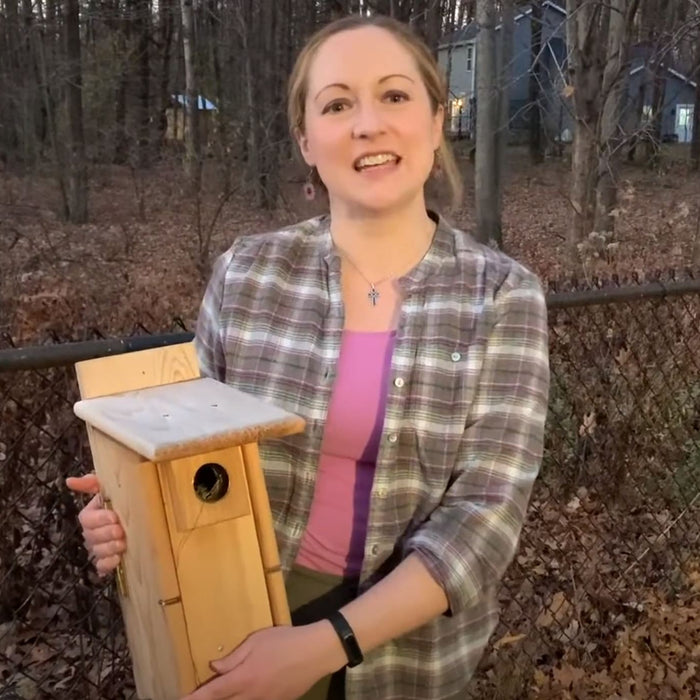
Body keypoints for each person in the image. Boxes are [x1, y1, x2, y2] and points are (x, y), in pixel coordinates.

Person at [67, 14, 550, 700]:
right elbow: (182, 462)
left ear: (438, 120)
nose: (367, 125)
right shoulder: (250, 274)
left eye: (394, 95)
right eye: (337, 104)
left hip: (403, 656)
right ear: (307, 141)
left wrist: (325, 647)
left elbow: (483, 518)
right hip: (229, 622)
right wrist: (123, 521)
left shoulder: (502, 296)